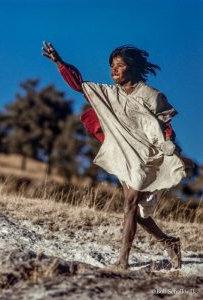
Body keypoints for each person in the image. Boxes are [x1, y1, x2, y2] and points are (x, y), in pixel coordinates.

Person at [42, 42, 187, 269]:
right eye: (112, 66)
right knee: (138, 214)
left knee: (130, 205)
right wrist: (59, 62)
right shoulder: (110, 94)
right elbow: (81, 86)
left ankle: (122, 261)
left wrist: (169, 144)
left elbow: (165, 125)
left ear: (133, 67)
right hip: (127, 157)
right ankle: (168, 242)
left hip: (149, 157)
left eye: (120, 65)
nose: (114, 70)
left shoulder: (150, 95)